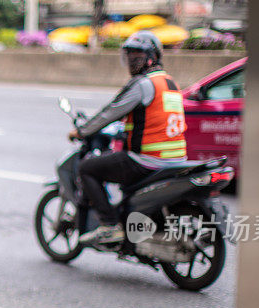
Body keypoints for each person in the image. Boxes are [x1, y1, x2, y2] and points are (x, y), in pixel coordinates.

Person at [69, 30, 188, 244]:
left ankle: (109, 225)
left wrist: (82, 131)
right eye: (130, 55)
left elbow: (111, 111)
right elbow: (151, 120)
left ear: (151, 57)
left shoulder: (143, 84)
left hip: (147, 160)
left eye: (138, 56)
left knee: (87, 168)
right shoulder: (169, 82)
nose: (132, 61)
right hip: (175, 160)